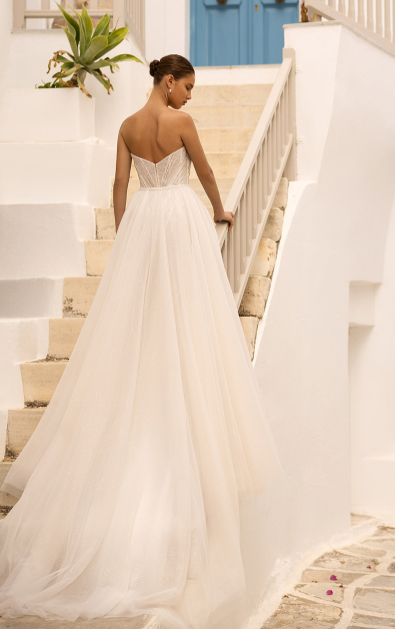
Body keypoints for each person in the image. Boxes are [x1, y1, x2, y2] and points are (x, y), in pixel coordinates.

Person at [0, 54, 285, 629]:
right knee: (189, 313)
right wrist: (222, 209)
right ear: (169, 81)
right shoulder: (180, 125)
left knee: (144, 311)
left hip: (144, 224)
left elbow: (118, 188)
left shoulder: (128, 126)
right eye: (188, 88)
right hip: (178, 218)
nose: (190, 98)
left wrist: (128, 236)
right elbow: (205, 174)